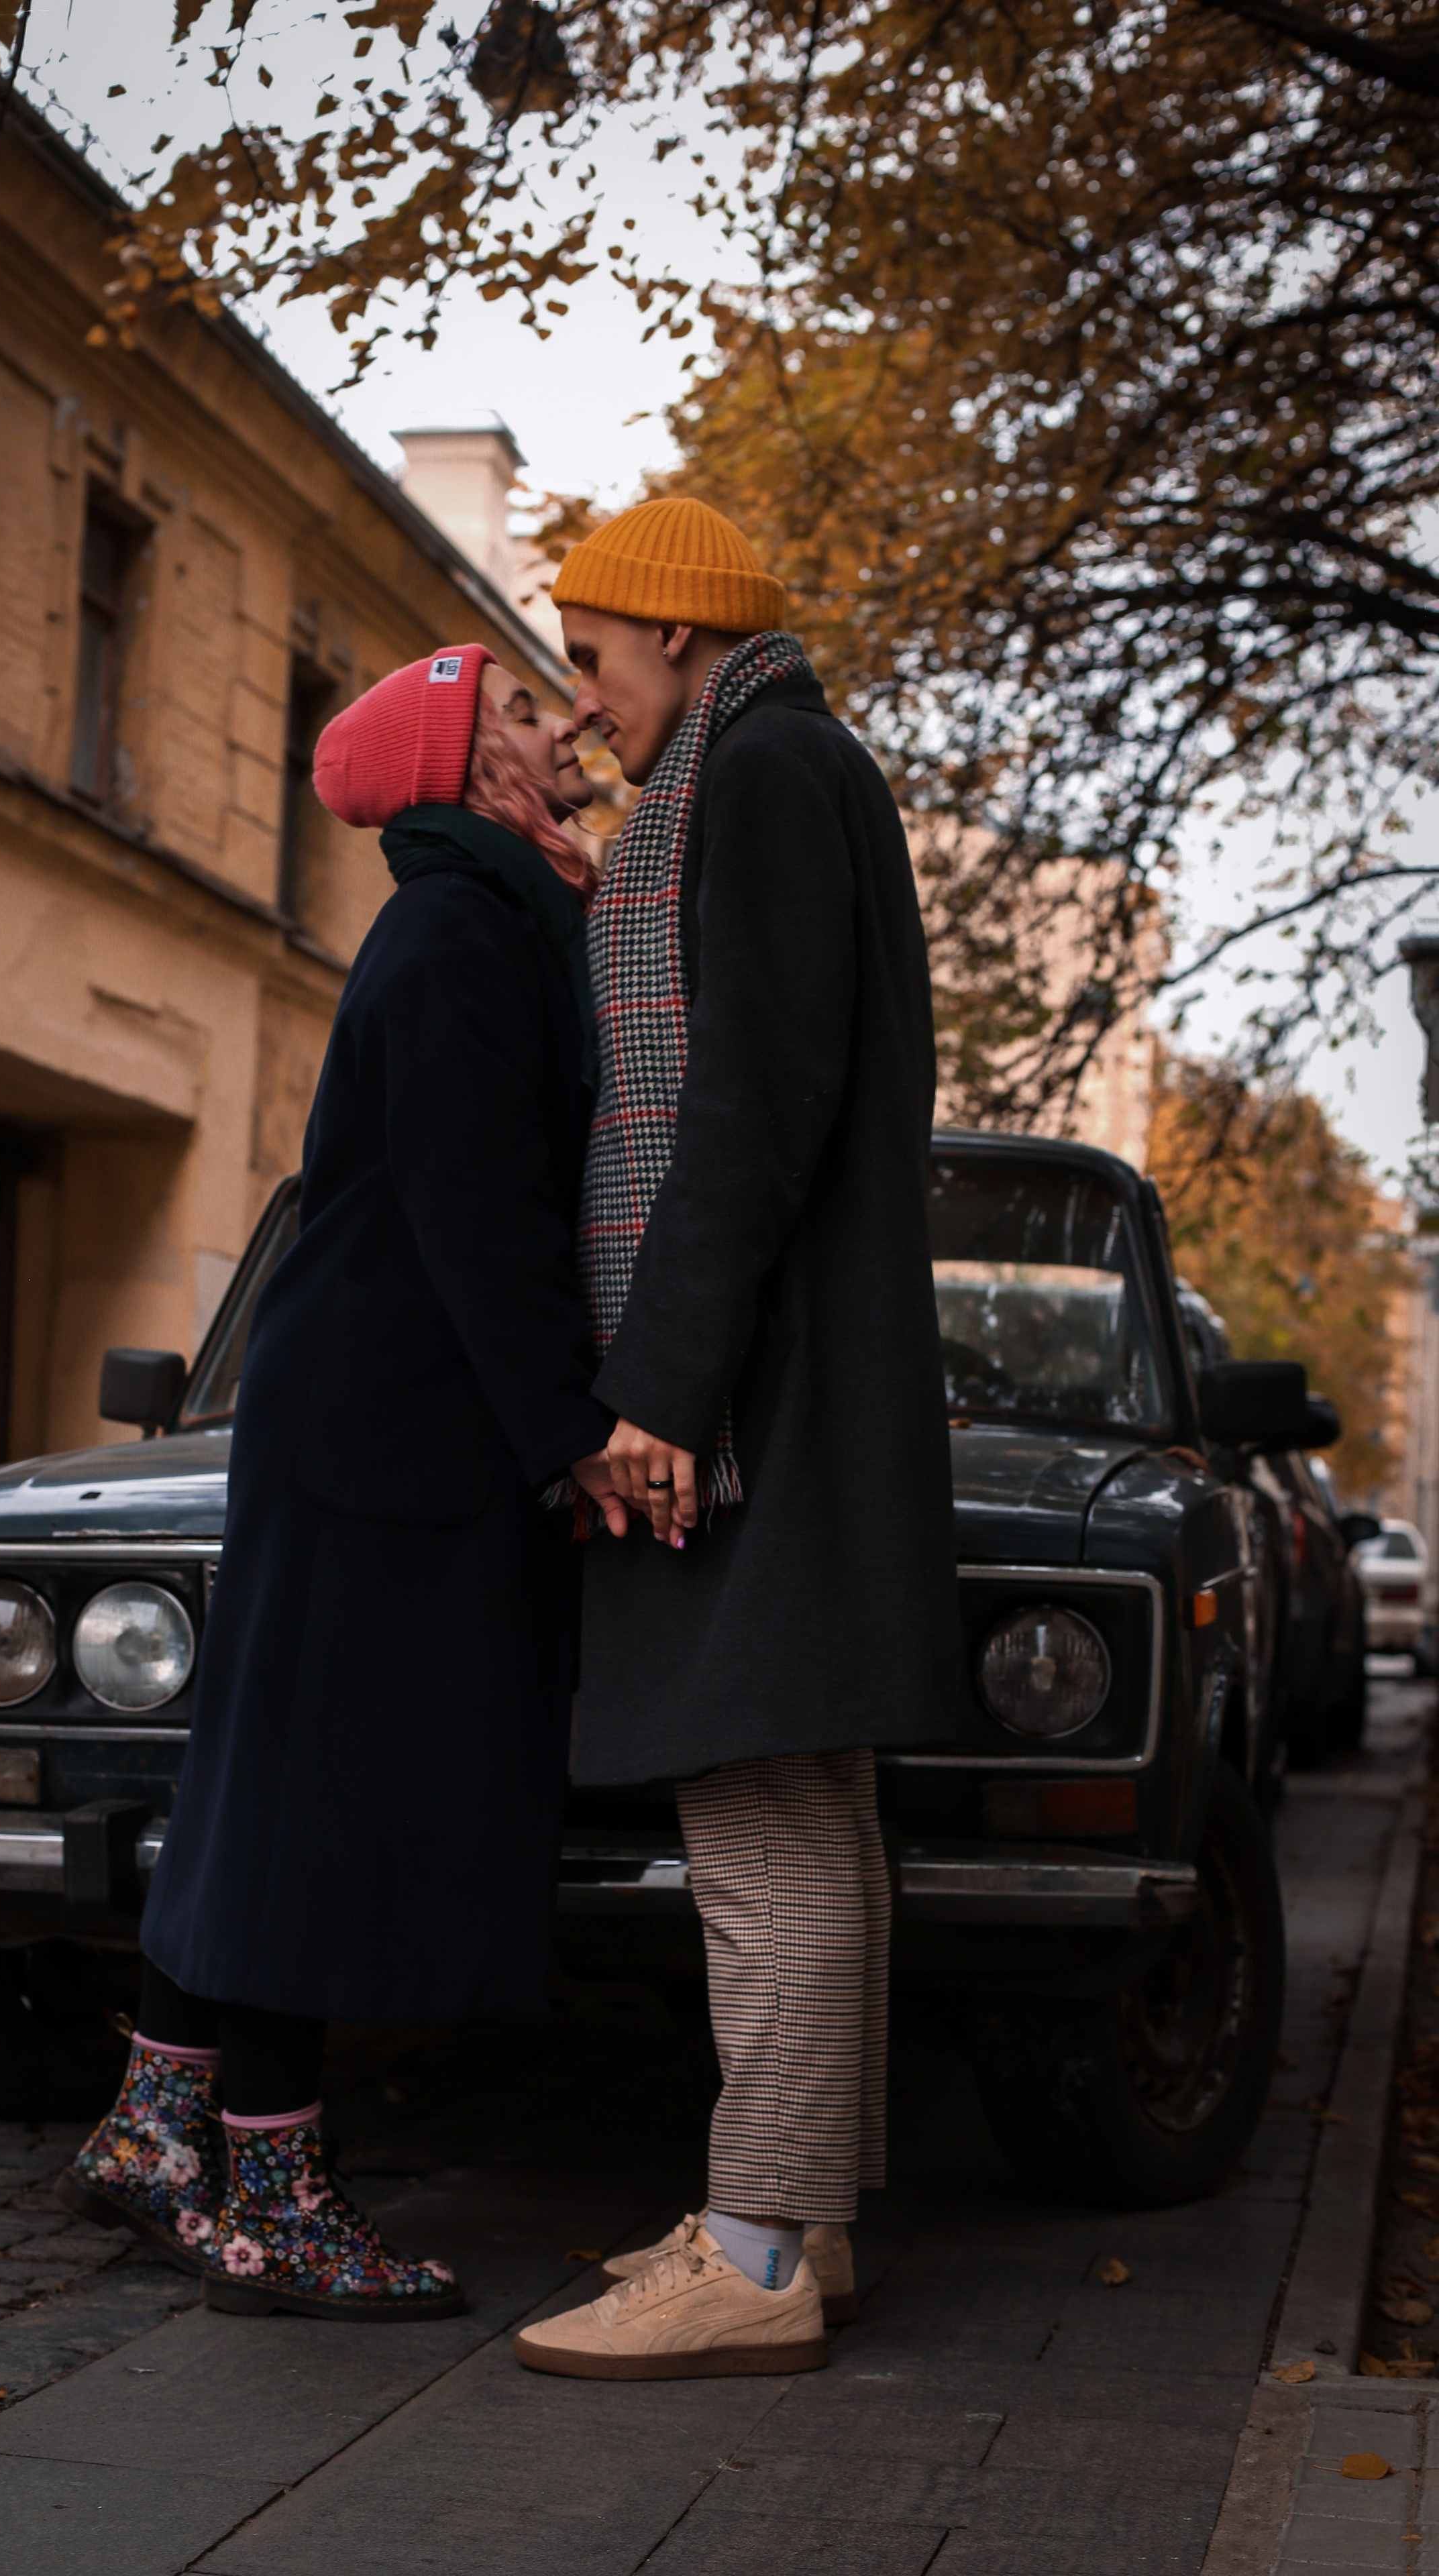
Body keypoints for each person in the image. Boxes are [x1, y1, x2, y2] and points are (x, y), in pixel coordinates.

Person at [58, 645, 627, 2321]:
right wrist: (570, 1430)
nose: (563, 722)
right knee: (314, 1811)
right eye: (525, 713)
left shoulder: (490, 907)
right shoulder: (459, 929)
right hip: (396, 1432)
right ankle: (275, 2210)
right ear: (467, 768)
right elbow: (478, 1213)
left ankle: (158, 2129)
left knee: (262, 1774)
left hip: (361, 1418)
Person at [513, 498, 963, 2383]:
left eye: (599, 664)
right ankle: (811, 2220)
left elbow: (746, 1102)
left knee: (760, 1819)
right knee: (812, 1819)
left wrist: (661, 1388)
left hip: (755, 1401)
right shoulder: (787, 769)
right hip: (796, 1388)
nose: (589, 705)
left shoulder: (766, 778)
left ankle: (760, 2251)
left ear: (680, 640)